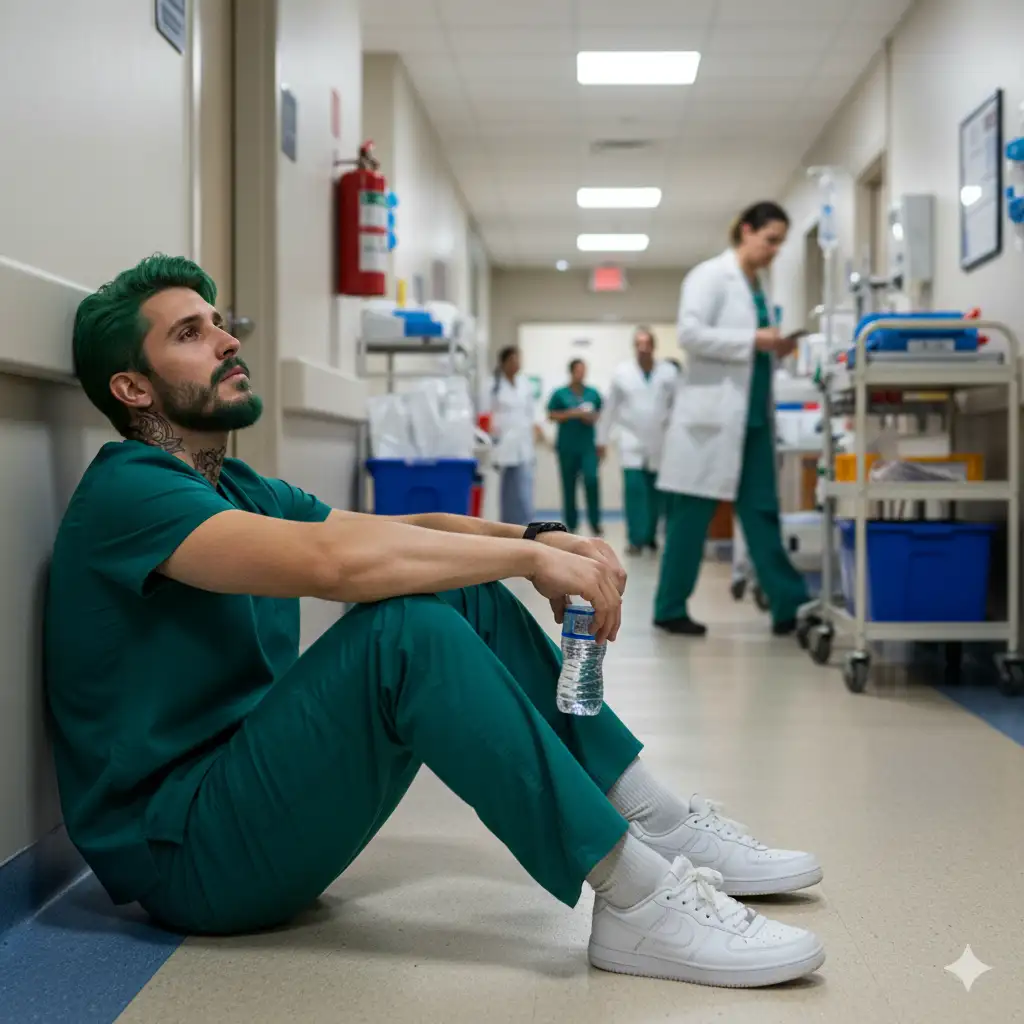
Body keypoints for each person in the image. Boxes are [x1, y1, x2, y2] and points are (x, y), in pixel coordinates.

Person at [45, 255, 825, 989]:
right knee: (405, 635)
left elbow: (399, 530)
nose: (224, 338)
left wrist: (536, 539)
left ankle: (654, 817)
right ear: (134, 389)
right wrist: (527, 565)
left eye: (218, 321)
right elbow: (337, 568)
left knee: (460, 588)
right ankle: (637, 900)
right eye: (190, 333)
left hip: (252, 799)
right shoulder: (130, 494)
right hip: (191, 857)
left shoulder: (234, 484)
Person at [654, 202, 810, 637]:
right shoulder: (709, 276)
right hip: (712, 419)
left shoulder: (757, 285)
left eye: (780, 242)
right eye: (770, 239)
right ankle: (669, 606)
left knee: (762, 512)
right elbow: (689, 334)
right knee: (691, 513)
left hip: (753, 419)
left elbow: (752, 347)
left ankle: (789, 605)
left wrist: (773, 346)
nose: (774, 250)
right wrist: (753, 339)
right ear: (746, 231)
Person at [598, 327, 678, 556]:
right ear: (634, 347)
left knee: (656, 494)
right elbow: (609, 408)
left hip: (660, 441)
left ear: (654, 346)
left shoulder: (669, 372)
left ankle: (650, 536)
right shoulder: (622, 372)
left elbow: (678, 404)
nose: (643, 348)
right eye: (639, 344)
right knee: (634, 491)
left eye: (647, 343)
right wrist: (601, 439)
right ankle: (635, 539)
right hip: (630, 439)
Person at [547, 359, 603, 536]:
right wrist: (572, 414)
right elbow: (551, 415)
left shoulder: (593, 393)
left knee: (592, 480)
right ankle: (571, 523)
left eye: (584, 370)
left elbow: (601, 414)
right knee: (568, 485)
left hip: (587, 447)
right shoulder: (560, 394)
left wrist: (590, 417)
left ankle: (595, 522)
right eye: (578, 370)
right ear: (571, 372)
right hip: (567, 447)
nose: (581, 374)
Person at [489, 345, 539, 525]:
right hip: (502, 444)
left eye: (518, 359)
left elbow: (530, 413)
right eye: (512, 360)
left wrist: (537, 433)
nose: (516, 363)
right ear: (503, 363)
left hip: (523, 444)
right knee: (506, 491)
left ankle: (526, 526)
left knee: (524, 490)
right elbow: (487, 413)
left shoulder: (524, 384)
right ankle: (507, 525)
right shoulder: (493, 385)